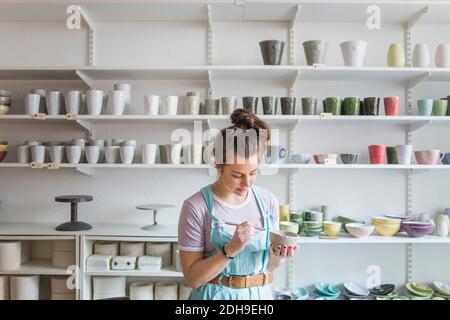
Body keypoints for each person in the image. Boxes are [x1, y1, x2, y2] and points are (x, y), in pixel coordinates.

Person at [178, 108, 298, 300]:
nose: (247, 183)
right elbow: (193, 279)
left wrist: (278, 256)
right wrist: (230, 249)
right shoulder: (196, 207)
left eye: (253, 173)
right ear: (219, 165)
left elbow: (268, 267)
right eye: (237, 175)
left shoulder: (268, 202)